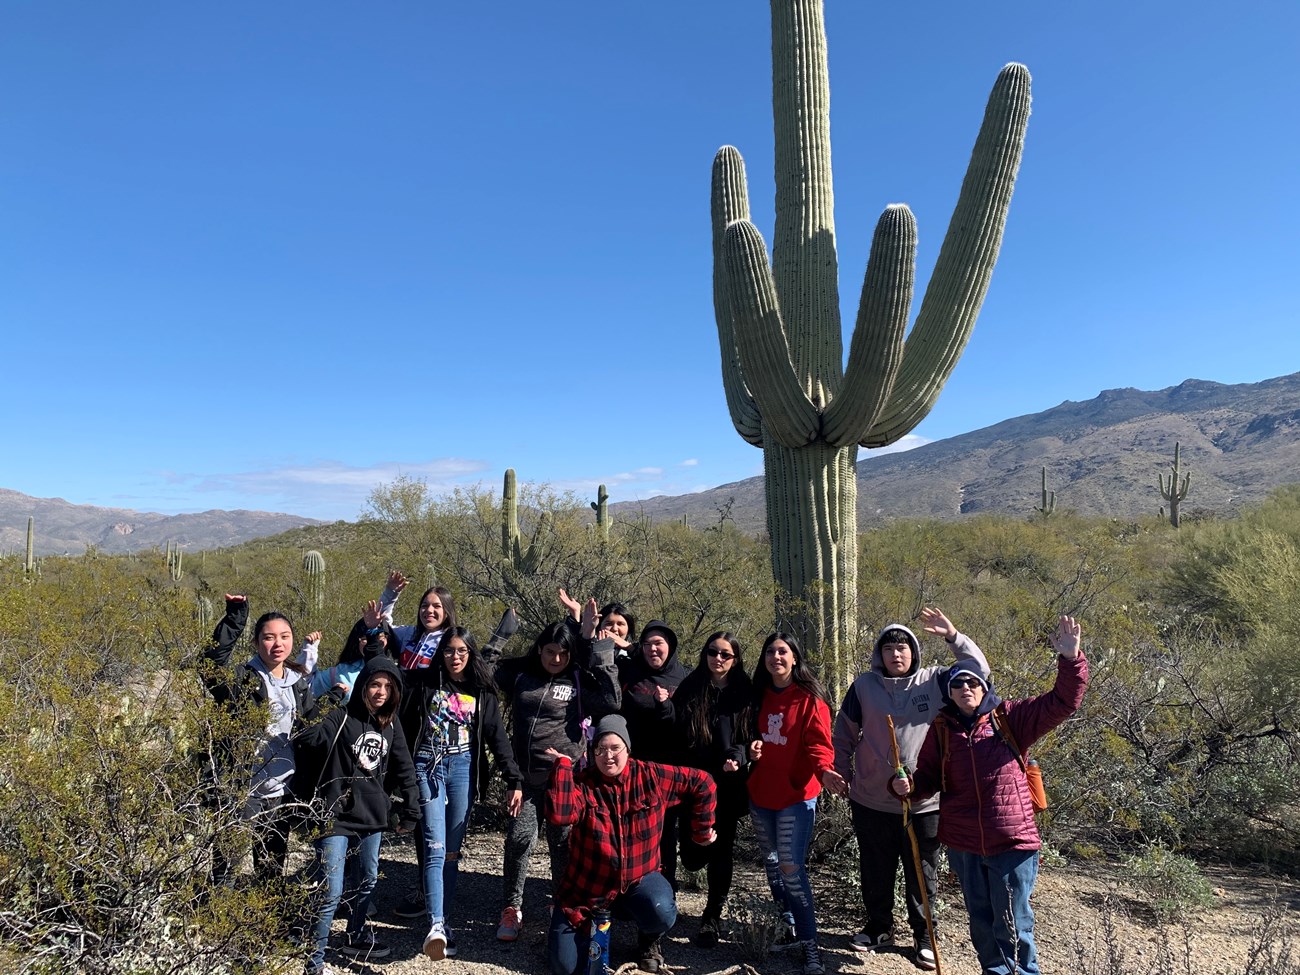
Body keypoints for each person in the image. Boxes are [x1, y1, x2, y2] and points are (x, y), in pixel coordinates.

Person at [892, 616, 1088, 975]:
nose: (965, 687)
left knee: (1014, 924)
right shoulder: (942, 729)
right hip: (965, 843)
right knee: (981, 923)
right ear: (949, 692)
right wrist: (905, 786)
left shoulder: (1009, 718)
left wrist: (1071, 660)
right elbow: (928, 779)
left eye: (972, 682)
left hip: (1010, 841)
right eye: (957, 684)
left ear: (983, 687)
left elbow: (1062, 701)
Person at [831, 608, 988, 969]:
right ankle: (879, 928)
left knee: (923, 871)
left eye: (903, 648)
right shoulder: (864, 687)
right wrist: (838, 770)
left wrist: (954, 637)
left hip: (924, 800)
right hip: (870, 798)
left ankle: (924, 936)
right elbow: (844, 733)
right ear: (879, 654)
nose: (896, 654)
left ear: (914, 652)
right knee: (874, 867)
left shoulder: (935, 681)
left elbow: (979, 671)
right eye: (889, 649)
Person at [544, 714, 717, 975]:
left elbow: (703, 782)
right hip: (589, 892)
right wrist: (564, 766)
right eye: (600, 749)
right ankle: (595, 931)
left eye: (615, 748)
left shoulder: (651, 776)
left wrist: (701, 831)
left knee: (660, 908)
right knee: (565, 967)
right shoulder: (584, 784)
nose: (608, 756)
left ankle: (648, 940)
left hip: (638, 881)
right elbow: (560, 814)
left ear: (628, 748)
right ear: (592, 752)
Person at [490, 603, 621, 944]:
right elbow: (485, 671)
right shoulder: (522, 675)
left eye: (563, 653)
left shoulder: (576, 679)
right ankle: (511, 907)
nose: (556, 659)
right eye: (550, 652)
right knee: (519, 840)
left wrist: (601, 647)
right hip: (525, 778)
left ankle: (560, 905)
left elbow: (611, 699)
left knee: (562, 845)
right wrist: (503, 633)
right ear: (539, 649)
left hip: (564, 779)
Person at [402, 626, 524, 961]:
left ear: (470, 654)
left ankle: (443, 922)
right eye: (449, 650)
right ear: (440, 653)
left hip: (463, 769)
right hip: (427, 765)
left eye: (461, 651)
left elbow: (498, 737)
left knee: (452, 850)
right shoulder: (423, 683)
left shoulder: (482, 691)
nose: (454, 657)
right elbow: (399, 717)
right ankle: (436, 924)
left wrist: (513, 779)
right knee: (434, 845)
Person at [294, 657, 420, 974]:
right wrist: (332, 698)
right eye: (375, 684)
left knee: (366, 880)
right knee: (332, 889)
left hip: (372, 815)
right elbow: (307, 736)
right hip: (333, 814)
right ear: (363, 684)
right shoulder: (340, 716)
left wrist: (412, 808)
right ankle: (315, 961)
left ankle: (355, 933)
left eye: (388, 686)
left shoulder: (390, 723)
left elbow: (405, 767)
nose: (381, 691)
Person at [203, 594, 327, 883]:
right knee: (227, 863)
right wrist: (236, 617)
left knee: (271, 865)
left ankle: (267, 924)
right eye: (269, 638)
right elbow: (211, 665)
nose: (278, 643)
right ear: (257, 642)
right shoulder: (242, 680)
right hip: (242, 788)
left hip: (281, 789)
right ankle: (217, 920)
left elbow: (312, 727)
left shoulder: (298, 683)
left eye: (284, 636)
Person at [747, 632, 844, 975]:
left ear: (795, 658)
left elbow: (819, 744)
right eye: (770, 651)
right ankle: (786, 922)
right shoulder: (756, 696)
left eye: (783, 651)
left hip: (796, 795)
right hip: (761, 793)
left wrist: (826, 771)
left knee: (791, 867)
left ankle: (809, 943)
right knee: (772, 862)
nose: (776, 657)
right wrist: (750, 748)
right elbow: (746, 733)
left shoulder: (809, 699)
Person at [671, 631, 752, 946]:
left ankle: (712, 916)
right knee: (691, 856)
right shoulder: (692, 687)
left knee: (722, 849)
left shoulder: (744, 690)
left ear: (735, 659)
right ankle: (696, 868)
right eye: (713, 652)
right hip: (692, 784)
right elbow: (674, 730)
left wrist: (739, 755)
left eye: (726, 655)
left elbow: (752, 734)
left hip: (729, 786)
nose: (718, 659)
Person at [618, 619, 690, 887]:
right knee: (630, 827)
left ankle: (665, 887)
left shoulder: (684, 678)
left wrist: (665, 706)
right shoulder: (630, 672)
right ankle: (629, 887)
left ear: (670, 646)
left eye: (658, 643)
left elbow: (686, 724)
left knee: (664, 833)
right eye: (647, 644)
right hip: (632, 767)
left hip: (668, 770)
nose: (652, 649)